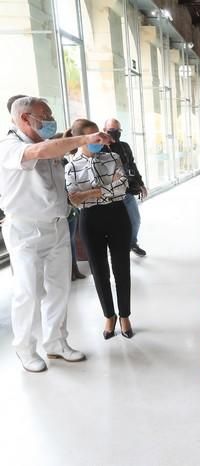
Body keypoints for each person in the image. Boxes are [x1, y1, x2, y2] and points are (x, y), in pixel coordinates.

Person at [0, 96, 110, 372]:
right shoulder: (11, 146)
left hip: (58, 225)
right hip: (25, 229)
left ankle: (56, 342)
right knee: (28, 291)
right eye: (45, 116)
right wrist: (83, 139)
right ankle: (25, 348)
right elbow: (40, 153)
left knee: (60, 288)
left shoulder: (46, 146)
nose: (50, 121)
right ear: (25, 118)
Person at [64, 119, 134, 340]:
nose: (100, 139)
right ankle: (109, 315)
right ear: (81, 139)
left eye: (100, 134)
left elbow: (123, 186)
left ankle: (124, 315)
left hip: (117, 215)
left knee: (121, 267)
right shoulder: (71, 166)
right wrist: (104, 189)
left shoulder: (112, 157)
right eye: (94, 135)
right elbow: (74, 199)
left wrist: (91, 193)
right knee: (99, 270)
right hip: (90, 220)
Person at [103, 119, 148, 256]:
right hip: (109, 194)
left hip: (127, 191)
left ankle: (132, 243)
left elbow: (132, 166)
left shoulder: (124, 147)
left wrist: (141, 184)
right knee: (115, 226)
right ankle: (118, 250)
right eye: (112, 131)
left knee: (135, 220)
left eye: (118, 131)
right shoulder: (98, 148)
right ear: (104, 131)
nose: (115, 134)